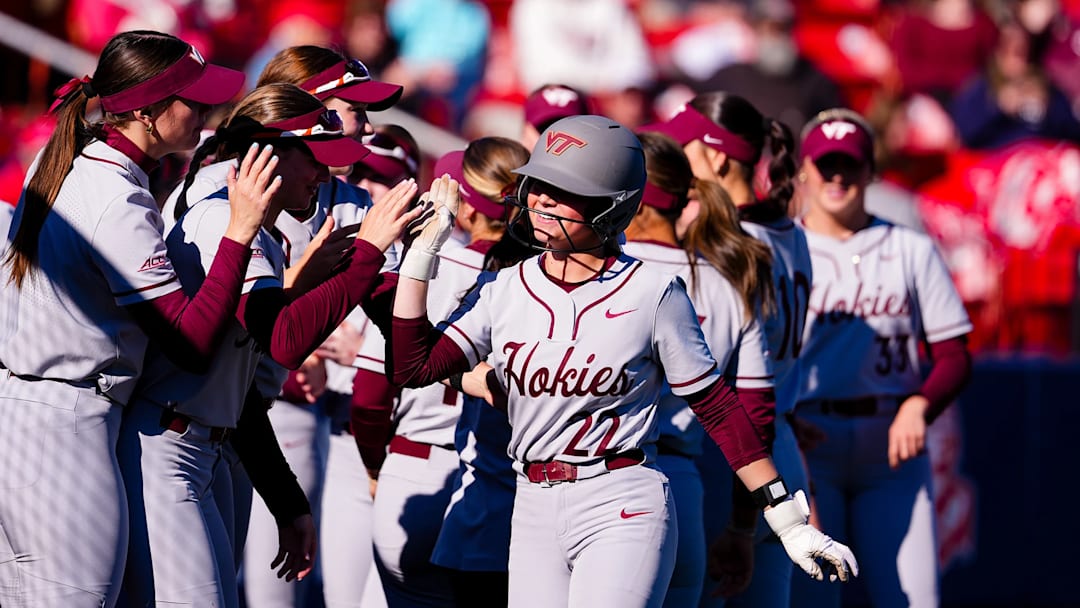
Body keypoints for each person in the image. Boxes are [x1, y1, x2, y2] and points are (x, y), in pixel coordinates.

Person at [388, 114, 857, 608]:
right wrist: (421, 256)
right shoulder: (506, 287)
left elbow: (718, 407)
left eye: (563, 188)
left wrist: (786, 518)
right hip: (530, 501)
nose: (543, 198)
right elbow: (412, 366)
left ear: (611, 207)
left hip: (622, 497)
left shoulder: (652, 291)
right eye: (539, 183)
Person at [119, 82, 420, 608]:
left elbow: (242, 393)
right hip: (164, 444)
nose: (325, 175)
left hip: (204, 443)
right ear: (270, 153)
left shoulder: (254, 224)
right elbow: (282, 342)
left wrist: (285, 499)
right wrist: (369, 251)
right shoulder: (222, 216)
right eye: (316, 159)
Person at [0, 30, 249, 608]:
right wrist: (239, 230)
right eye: (194, 99)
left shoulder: (72, 155)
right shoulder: (114, 194)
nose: (208, 110)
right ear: (145, 109)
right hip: (65, 425)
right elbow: (189, 342)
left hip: (32, 410)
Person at [235, 44, 404, 608]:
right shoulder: (220, 186)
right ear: (318, 109)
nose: (366, 123)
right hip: (238, 412)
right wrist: (293, 343)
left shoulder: (354, 200)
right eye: (355, 108)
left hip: (328, 415)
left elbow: (393, 318)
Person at [789, 108, 974, 608]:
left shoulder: (911, 248)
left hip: (891, 448)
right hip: (811, 450)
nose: (836, 177)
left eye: (849, 164)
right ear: (803, 171)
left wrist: (921, 405)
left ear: (871, 171)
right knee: (815, 600)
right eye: (825, 164)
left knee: (914, 599)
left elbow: (954, 354)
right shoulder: (781, 251)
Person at [647, 92, 812, 608]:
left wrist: (741, 520)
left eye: (685, 145)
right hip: (778, 449)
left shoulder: (719, 242)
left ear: (716, 155)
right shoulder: (793, 233)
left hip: (728, 457)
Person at [622, 131, 776, 607]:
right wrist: (742, 526)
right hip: (687, 487)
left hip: (607, 479)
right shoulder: (731, 282)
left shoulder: (604, 270)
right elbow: (755, 416)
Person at [424, 137, 532, 608]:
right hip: (597, 495)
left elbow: (409, 363)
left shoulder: (497, 276)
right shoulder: (623, 274)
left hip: (490, 491)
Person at [317, 124, 422, 608]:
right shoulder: (341, 236)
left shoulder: (429, 261)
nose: (367, 188)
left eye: (380, 177)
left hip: (402, 447)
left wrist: (365, 352)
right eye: (360, 174)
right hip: (339, 433)